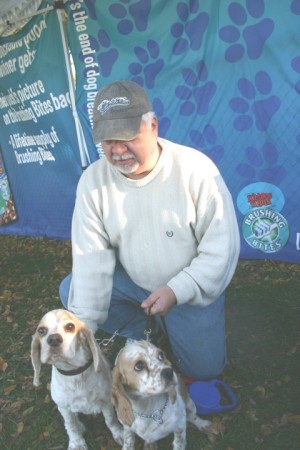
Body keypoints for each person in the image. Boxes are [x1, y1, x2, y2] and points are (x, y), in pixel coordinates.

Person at [59, 80, 240, 380]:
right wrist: (84, 336)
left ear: (153, 125)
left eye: (126, 136)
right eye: (107, 140)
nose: (117, 150)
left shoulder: (197, 171)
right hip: (134, 283)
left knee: (205, 370)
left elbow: (222, 252)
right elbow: (90, 258)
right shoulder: (92, 182)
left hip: (188, 287)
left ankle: (185, 323)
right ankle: (147, 332)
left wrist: (177, 290)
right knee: (72, 289)